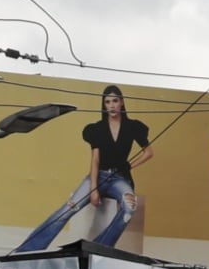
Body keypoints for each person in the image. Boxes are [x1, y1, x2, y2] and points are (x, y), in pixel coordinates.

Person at [16, 86, 154, 253]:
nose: (111, 105)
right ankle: (27, 249)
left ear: (122, 102)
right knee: (67, 209)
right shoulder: (96, 129)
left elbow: (149, 152)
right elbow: (95, 160)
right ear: (104, 105)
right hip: (98, 176)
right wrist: (94, 189)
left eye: (115, 101)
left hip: (120, 179)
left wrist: (130, 165)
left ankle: (100, 248)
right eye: (108, 102)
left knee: (129, 207)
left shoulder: (133, 127)